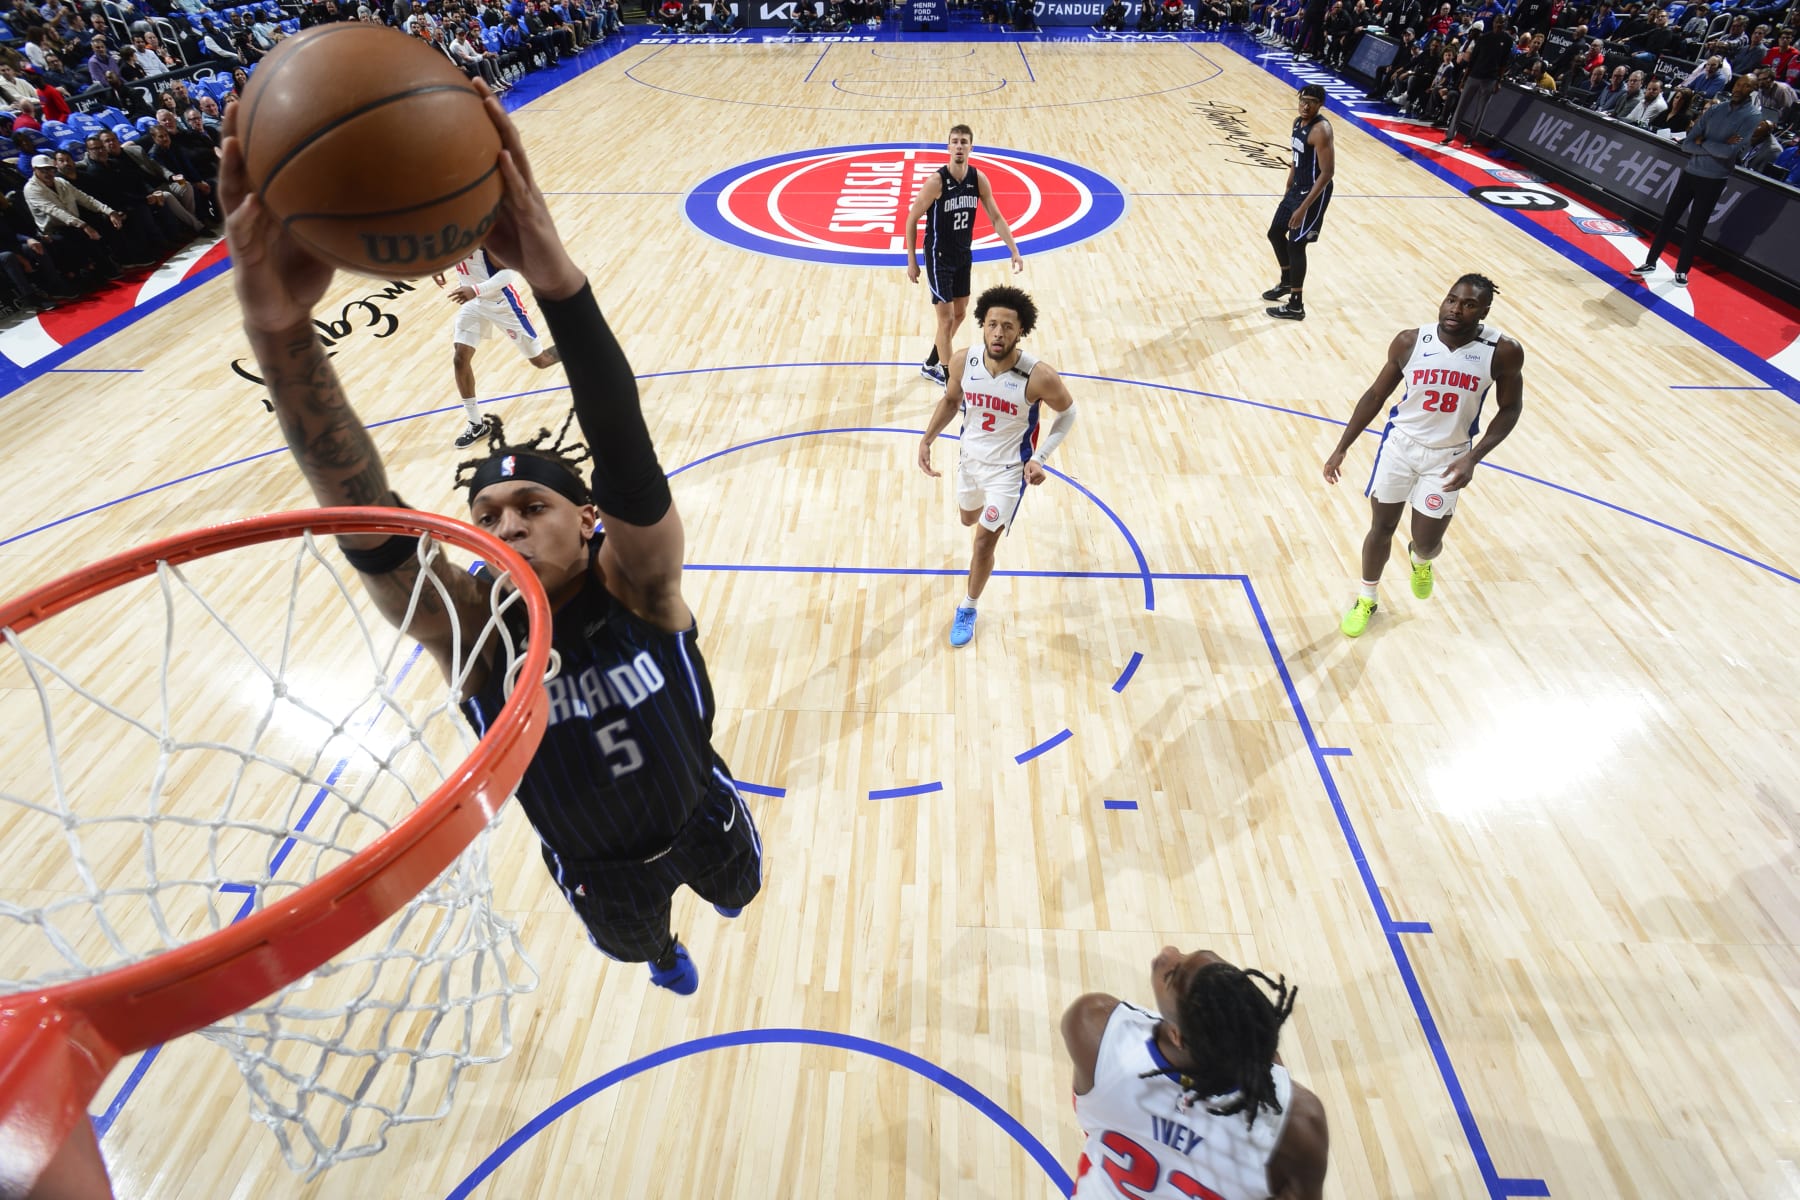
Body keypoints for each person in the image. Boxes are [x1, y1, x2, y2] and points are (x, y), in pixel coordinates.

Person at [221, 83, 763, 997]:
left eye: (530, 506)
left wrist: (559, 285)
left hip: (701, 813)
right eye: (488, 517)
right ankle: (663, 950)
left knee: (741, 890)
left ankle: (724, 899)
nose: (505, 525)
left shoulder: (640, 588)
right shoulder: (474, 637)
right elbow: (369, 516)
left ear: (588, 518)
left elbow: (626, 451)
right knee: (640, 952)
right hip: (599, 867)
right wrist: (280, 334)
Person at [1322, 274, 1525, 638]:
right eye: (1451, 300)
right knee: (1381, 528)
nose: (1455, 310)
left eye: (1468, 305)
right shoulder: (1410, 341)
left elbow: (1509, 410)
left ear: (1484, 311)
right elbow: (1374, 396)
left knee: (1428, 540)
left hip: (1449, 457)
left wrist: (1473, 458)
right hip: (1400, 446)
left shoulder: (1503, 351)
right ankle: (1367, 597)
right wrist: (1342, 447)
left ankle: (1421, 559)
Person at [1060, 947, 1329, 1199]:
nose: (1168, 953)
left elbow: (1089, 1119)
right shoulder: (1297, 1125)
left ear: (1177, 1036)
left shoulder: (1095, 1031)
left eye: (1172, 975)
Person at [915, 286, 1075, 647]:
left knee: (983, 542)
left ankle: (968, 607)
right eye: (992, 325)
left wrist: (1039, 457)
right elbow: (951, 399)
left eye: (1007, 326)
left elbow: (1068, 413)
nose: (998, 333)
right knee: (967, 519)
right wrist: (926, 439)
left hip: (1008, 471)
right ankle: (975, 547)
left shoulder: (1039, 376)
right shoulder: (962, 361)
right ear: (982, 326)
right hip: (970, 460)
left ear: (1021, 331)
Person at [904, 123, 1024, 387]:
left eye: (963, 142)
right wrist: (911, 260)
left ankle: (931, 363)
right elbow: (911, 218)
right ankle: (951, 382)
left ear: (971, 147)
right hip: (938, 257)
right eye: (955, 142)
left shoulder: (977, 179)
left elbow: (995, 216)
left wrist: (1014, 249)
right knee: (945, 320)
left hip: (962, 255)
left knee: (960, 314)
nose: (959, 146)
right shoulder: (936, 182)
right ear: (948, 147)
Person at [1630, 73, 1764, 286]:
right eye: (1738, 84)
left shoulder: (1753, 116)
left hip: (1714, 178)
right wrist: (1712, 145)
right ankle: (1650, 261)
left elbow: (1730, 152)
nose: (1739, 88)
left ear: (1753, 90)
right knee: (1668, 219)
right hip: (1691, 172)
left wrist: (1704, 143)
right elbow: (1687, 144)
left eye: (1746, 86)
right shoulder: (1716, 109)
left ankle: (1682, 270)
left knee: (1695, 227)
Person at [433, 248, 562, 447]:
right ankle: (477, 425)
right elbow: (447, 254)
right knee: (460, 359)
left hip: (502, 304)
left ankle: (577, 344)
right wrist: (437, 266)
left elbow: (509, 273)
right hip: (473, 304)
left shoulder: (485, 240)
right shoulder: (453, 234)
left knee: (541, 361)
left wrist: (475, 290)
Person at [1263, 84, 1335, 322]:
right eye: (1303, 101)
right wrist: (1288, 188)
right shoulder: (1297, 123)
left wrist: (1303, 207)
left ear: (1320, 104)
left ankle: (1296, 305)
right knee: (1275, 233)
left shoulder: (1321, 130)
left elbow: (1327, 173)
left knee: (1296, 245)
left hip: (1315, 193)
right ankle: (1286, 281)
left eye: (1312, 102)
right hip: (1296, 188)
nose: (1306, 106)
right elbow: (1296, 158)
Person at [1443, 12, 1510, 145]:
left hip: (1490, 79)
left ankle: (1470, 139)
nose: (1499, 24)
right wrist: (1464, 79)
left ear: (1505, 24)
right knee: (1461, 107)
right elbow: (1472, 61)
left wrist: (1498, 81)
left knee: (1480, 111)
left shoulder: (1507, 40)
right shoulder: (1484, 38)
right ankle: (1450, 135)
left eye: (1502, 22)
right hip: (1474, 76)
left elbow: (1504, 63)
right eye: (1497, 21)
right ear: (1493, 22)